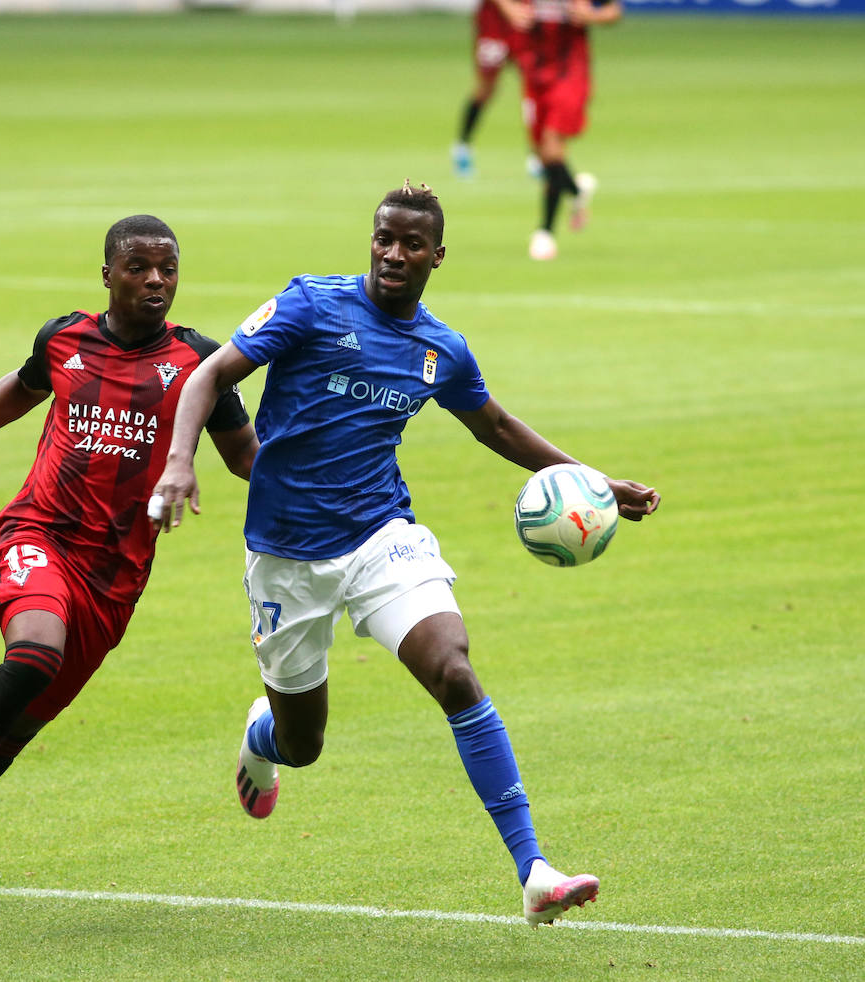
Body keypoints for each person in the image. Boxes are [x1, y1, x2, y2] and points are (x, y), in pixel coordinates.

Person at [151, 183, 659, 927]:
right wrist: (179, 462)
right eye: (384, 237)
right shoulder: (309, 304)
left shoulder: (439, 349)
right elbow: (209, 374)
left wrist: (590, 481)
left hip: (382, 536)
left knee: (453, 668)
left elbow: (495, 424)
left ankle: (534, 870)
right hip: (287, 556)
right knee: (304, 743)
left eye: (411, 244)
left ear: (437, 256)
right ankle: (262, 738)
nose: (394, 253)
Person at [0, 215, 258, 907]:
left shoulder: (200, 364)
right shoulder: (64, 338)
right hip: (39, 532)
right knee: (33, 654)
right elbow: (26, 383)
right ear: (106, 275)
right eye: (138, 266)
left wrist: (322, 470)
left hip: (115, 574)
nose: (155, 280)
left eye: (168, 268)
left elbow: (245, 456)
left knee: (19, 725)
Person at [502, 0, 623, 261]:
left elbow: (614, 11)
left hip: (570, 72)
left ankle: (545, 232)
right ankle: (577, 192)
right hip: (533, 70)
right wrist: (508, 8)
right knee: (542, 155)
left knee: (551, 145)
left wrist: (591, 15)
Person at [450, 0, 541, 182]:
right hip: (495, 22)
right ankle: (462, 147)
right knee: (485, 89)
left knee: (535, 88)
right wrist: (507, 7)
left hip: (528, 16)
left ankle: (538, 157)